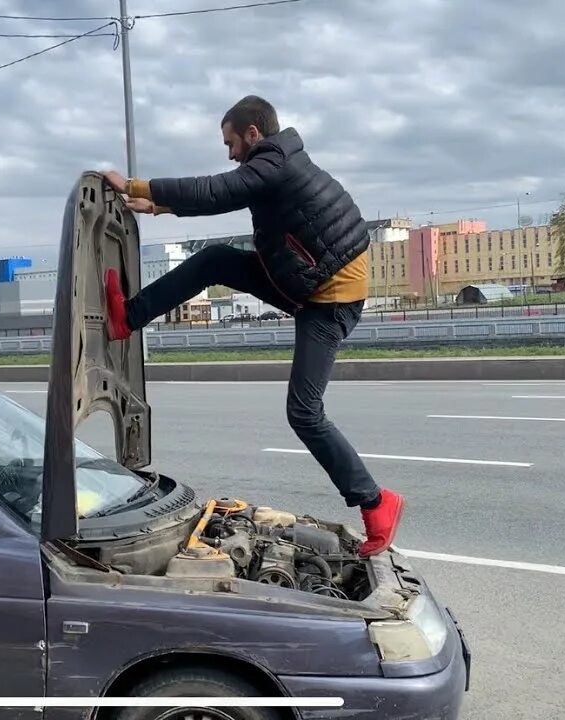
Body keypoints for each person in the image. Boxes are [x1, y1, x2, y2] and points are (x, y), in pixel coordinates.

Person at [100, 95, 404, 557]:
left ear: (253, 134)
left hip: (328, 300)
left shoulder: (275, 163)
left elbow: (217, 190)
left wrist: (139, 185)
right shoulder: (277, 162)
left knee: (304, 413)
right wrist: (158, 207)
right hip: (311, 281)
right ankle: (130, 317)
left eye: (230, 142)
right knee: (216, 260)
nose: (229, 152)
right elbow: (225, 195)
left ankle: (377, 502)